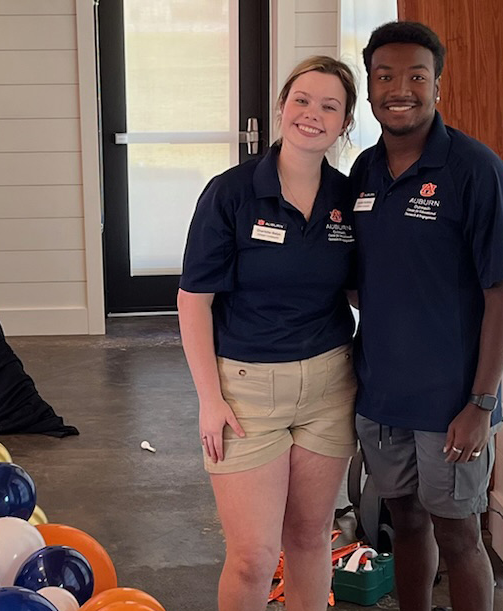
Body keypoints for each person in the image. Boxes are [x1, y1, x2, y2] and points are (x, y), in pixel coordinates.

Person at [348, 22, 503, 611]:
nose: (401, 89)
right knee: (405, 524)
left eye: (417, 76)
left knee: (459, 534)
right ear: (369, 89)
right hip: (381, 396)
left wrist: (479, 405)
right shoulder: (365, 172)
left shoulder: (477, 172)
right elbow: (361, 275)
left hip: (452, 404)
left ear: (437, 87)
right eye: (385, 76)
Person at [177, 55, 361, 611]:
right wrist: (209, 399)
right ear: (282, 107)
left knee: (309, 539)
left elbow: (359, 290)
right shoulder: (231, 193)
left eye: (330, 106)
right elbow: (193, 301)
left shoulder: (347, 198)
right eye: (302, 100)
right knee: (255, 556)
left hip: (330, 385)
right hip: (246, 391)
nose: (313, 114)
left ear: (346, 123)